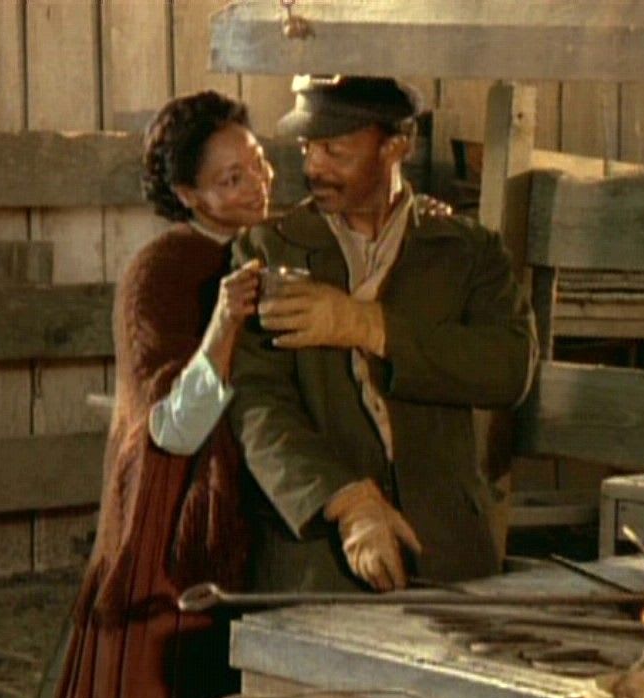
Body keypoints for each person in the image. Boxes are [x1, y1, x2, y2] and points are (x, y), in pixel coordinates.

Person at [227, 75, 538, 595]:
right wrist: (346, 501)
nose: (313, 167)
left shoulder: (467, 251)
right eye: (307, 148)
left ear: (397, 146)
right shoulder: (269, 249)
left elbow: (508, 370)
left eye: (335, 151)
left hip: (448, 552)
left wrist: (366, 324)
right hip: (319, 564)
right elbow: (256, 405)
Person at [41, 91, 271, 698]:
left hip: (256, 517)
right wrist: (223, 327)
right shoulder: (159, 272)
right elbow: (170, 429)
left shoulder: (273, 247)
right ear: (188, 195)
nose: (258, 185)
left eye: (259, 163)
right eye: (232, 179)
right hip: (167, 531)